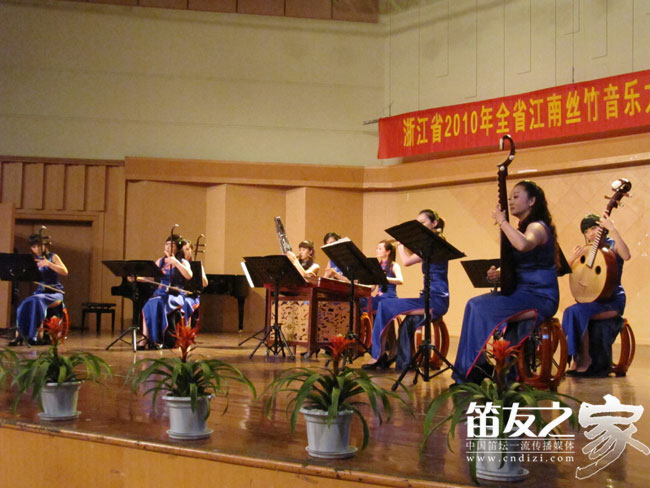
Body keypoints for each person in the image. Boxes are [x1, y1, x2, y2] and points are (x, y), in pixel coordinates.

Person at [452, 180, 560, 384]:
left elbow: (524, 245)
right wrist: (499, 274)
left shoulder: (537, 226)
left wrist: (502, 222)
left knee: (478, 306)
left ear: (532, 201)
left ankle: (476, 369)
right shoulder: (522, 227)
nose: (510, 201)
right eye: (509, 197)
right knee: (473, 305)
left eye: (516, 196)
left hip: (540, 297)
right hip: (522, 294)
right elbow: (521, 264)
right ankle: (476, 367)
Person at [363, 209, 448, 370]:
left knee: (385, 305)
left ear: (434, 223)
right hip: (427, 297)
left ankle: (378, 355)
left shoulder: (435, 242)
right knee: (384, 306)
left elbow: (407, 261)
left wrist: (400, 244)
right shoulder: (429, 243)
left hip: (436, 300)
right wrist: (404, 243)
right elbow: (413, 254)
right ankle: (382, 354)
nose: (419, 226)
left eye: (422, 222)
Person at [562, 213, 631, 376]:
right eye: (586, 231)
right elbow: (568, 272)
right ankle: (575, 358)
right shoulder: (588, 251)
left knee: (577, 311)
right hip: (593, 301)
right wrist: (573, 259)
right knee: (571, 311)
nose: (591, 233)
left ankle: (585, 359)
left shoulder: (612, 245)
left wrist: (612, 229)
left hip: (612, 301)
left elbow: (626, 255)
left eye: (594, 228)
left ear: (602, 229)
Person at [9, 233, 68, 346]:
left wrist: (49, 264)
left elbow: (65, 272)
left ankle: (34, 335)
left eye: (39, 246)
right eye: (33, 247)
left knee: (37, 300)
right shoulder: (34, 260)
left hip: (55, 293)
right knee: (24, 303)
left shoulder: (53, 257)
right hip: (40, 292)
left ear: (44, 245)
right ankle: (20, 334)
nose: (37, 249)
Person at [139, 235, 193, 349]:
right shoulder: (160, 261)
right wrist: (137, 278)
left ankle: (159, 339)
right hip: (160, 293)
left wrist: (176, 262)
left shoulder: (183, 262)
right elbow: (152, 277)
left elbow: (189, 275)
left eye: (172, 245)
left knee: (159, 302)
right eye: (166, 244)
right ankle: (145, 337)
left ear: (177, 248)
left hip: (175, 295)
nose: (168, 247)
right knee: (148, 304)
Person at [361, 239, 403, 314]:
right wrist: (361, 289)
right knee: (360, 300)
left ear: (388, 252)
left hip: (389, 298)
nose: (377, 250)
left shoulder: (394, 265)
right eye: (377, 248)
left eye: (380, 249)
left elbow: (400, 280)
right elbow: (373, 287)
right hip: (379, 298)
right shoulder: (377, 267)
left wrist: (384, 278)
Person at [180, 239, 209, 326]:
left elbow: (205, 283)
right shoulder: (177, 264)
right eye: (183, 250)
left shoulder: (196, 265)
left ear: (191, 250)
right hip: (179, 295)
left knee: (185, 303)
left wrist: (198, 272)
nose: (186, 252)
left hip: (192, 297)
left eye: (188, 249)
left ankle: (184, 329)